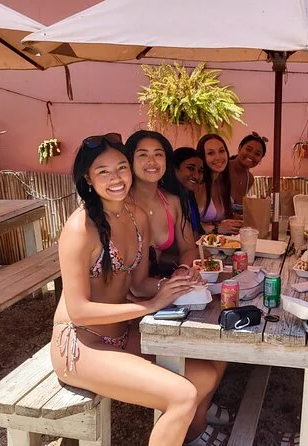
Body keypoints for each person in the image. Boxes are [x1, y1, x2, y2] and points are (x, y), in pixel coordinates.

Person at [51, 133, 228, 445]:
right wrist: (151, 305)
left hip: (123, 336)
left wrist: (173, 285)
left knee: (205, 375)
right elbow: (78, 311)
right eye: (103, 171)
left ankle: (188, 435)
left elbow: (137, 282)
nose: (116, 178)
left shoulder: (136, 218)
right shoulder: (80, 228)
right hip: (81, 346)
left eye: (121, 168)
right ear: (88, 179)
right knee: (182, 395)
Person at [125, 131, 199, 277]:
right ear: (130, 160)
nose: (152, 161)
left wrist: (183, 269)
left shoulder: (173, 202)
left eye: (158, 154)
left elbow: (189, 249)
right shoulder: (121, 204)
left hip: (160, 283)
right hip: (126, 288)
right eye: (143, 154)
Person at [196, 133, 243, 235]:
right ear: (202, 157)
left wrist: (234, 220)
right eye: (211, 153)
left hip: (218, 242)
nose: (218, 157)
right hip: (198, 243)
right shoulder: (198, 185)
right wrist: (216, 228)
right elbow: (186, 224)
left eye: (221, 151)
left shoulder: (222, 182)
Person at [228, 132, 267, 212]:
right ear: (240, 148)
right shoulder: (223, 169)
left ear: (260, 159)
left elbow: (237, 212)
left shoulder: (249, 179)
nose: (251, 155)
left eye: (257, 154)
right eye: (248, 149)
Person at [174, 146, 205, 236]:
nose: (197, 176)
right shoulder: (167, 200)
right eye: (191, 168)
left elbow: (197, 232)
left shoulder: (189, 195)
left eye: (200, 171)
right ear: (175, 169)